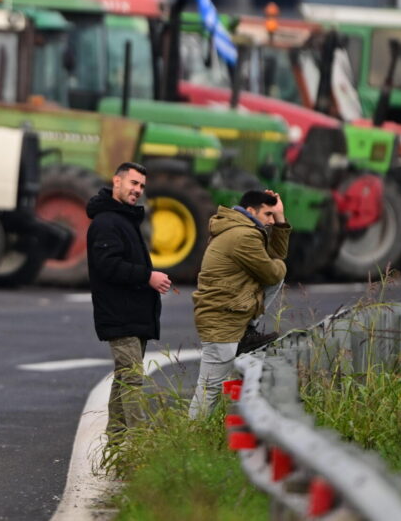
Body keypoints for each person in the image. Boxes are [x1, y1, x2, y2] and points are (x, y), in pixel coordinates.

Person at [188, 189, 289, 419]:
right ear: (251, 211)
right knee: (209, 388)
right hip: (222, 317)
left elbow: (275, 255)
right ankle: (191, 441)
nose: (271, 221)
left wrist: (281, 219)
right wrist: (281, 266)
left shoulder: (241, 228)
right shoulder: (243, 236)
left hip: (228, 313)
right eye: (268, 215)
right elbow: (273, 271)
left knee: (211, 386)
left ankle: (247, 331)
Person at [87, 162, 171, 435]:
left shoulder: (124, 219)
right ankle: (138, 441)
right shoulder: (106, 222)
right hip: (118, 314)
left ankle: (116, 442)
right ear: (117, 181)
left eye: (142, 186)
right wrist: (148, 276)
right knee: (132, 378)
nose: (138, 190)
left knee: (125, 378)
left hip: (133, 315)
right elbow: (107, 265)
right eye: (133, 183)